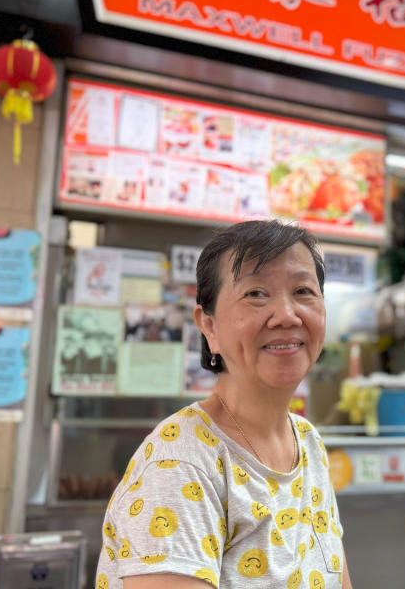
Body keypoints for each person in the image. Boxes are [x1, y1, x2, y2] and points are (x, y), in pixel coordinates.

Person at [96, 220, 352, 589]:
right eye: (256, 294)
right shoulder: (182, 462)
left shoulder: (309, 442)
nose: (286, 315)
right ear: (209, 327)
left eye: (303, 291)